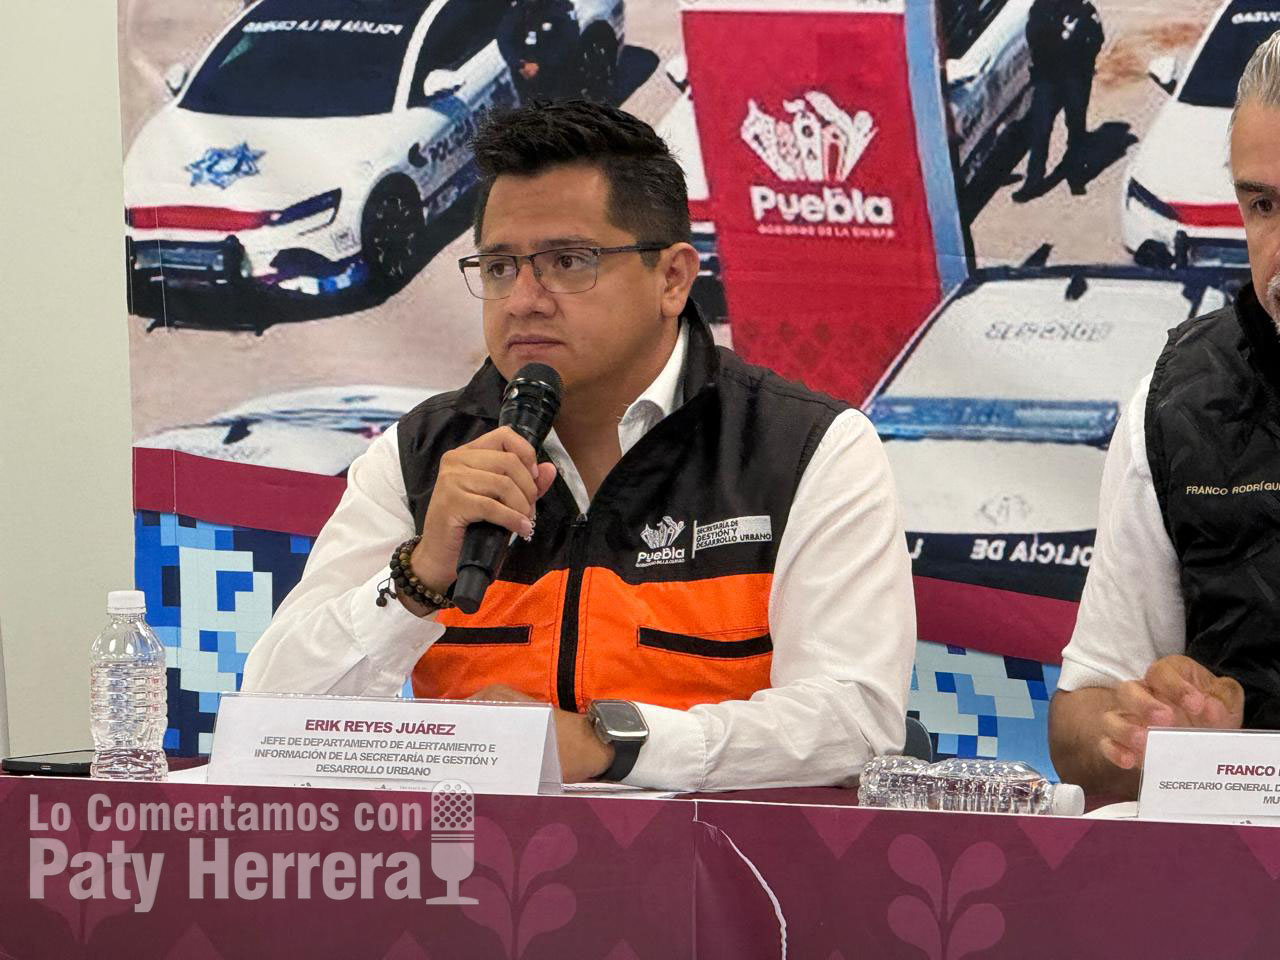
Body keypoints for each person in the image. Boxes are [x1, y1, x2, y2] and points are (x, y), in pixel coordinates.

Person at [242, 100, 916, 792]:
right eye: (499, 267)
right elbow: (271, 724)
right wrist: (420, 574)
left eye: (567, 261)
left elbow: (853, 722)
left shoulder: (805, 448)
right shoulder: (421, 453)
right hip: (467, 852)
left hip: (718, 855)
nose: (523, 300)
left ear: (673, 279)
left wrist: (609, 742)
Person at [1049, 32, 1280, 798]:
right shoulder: (1178, 401)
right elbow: (1081, 724)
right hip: (1246, 862)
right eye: (1263, 205)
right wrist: (1148, 733)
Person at [1012, 0, 1104, 202]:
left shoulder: (1084, 10)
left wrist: (1083, 62)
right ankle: (1034, 180)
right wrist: (1057, 42)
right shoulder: (1042, 8)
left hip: (1076, 78)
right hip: (1048, 78)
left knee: (1076, 127)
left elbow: (1097, 38)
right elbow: (1033, 36)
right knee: (1041, 129)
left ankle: (1075, 174)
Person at [497, 0, 580, 102]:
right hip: (529, 78)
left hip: (556, 74)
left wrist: (540, 64)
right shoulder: (518, 11)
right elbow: (503, 40)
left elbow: (570, 40)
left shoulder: (560, 6)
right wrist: (520, 65)